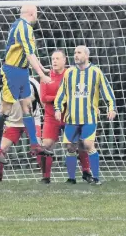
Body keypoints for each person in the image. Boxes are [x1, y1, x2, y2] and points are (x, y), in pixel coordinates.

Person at [0, 5, 52, 164]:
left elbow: (30, 53)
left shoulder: (21, 26)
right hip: (12, 72)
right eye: (37, 13)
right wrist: (41, 75)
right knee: (5, 109)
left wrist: (42, 68)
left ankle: (34, 144)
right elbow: (29, 53)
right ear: (32, 13)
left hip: (22, 71)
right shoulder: (23, 27)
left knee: (27, 106)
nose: (37, 16)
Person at [55, 46, 116, 185]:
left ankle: (96, 178)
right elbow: (61, 93)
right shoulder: (69, 73)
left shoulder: (96, 72)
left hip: (89, 117)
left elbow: (107, 91)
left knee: (88, 144)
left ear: (86, 56)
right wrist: (58, 108)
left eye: (79, 53)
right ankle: (71, 178)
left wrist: (111, 107)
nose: (75, 55)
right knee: (70, 147)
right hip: (72, 118)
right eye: (75, 53)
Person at [39, 49, 91, 184]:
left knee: (74, 145)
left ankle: (85, 172)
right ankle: (46, 177)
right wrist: (61, 97)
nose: (54, 61)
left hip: (69, 116)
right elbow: (44, 98)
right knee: (46, 146)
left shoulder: (72, 74)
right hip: (51, 117)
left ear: (64, 60)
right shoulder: (46, 76)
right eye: (52, 59)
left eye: (57, 58)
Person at [0, 77, 41, 182]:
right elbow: (2, 110)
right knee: (1, 149)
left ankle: (46, 177)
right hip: (13, 123)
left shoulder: (32, 83)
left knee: (39, 147)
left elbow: (42, 101)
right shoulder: (5, 88)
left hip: (32, 121)